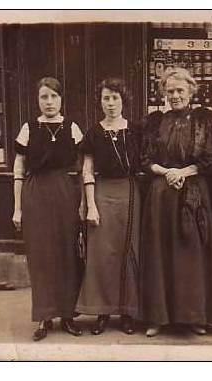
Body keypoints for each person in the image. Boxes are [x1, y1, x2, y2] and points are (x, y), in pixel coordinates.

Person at [140, 67, 212, 337]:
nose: (175, 96)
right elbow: (145, 159)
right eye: (170, 91)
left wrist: (182, 172)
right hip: (161, 195)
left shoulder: (204, 120)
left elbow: (210, 158)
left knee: (191, 253)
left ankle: (194, 316)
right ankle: (158, 318)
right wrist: (167, 172)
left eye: (180, 90)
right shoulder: (154, 122)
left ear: (191, 91)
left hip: (193, 192)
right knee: (159, 253)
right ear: (163, 93)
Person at [12, 77, 84, 341]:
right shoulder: (29, 128)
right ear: (38, 100)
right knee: (41, 256)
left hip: (65, 194)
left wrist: (83, 203)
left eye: (53, 97)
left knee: (67, 254)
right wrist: (17, 208)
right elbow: (18, 169)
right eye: (44, 97)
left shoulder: (73, 128)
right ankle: (44, 317)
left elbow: (83, 166)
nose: (49, 102)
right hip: (36, 195)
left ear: (61, 99)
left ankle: (67, 315)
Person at [75, 78, 142, 335]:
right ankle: (102, 311)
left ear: (123, 101)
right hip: (103, 194)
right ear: (100, 102)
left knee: (129, 251)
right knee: (103, 254)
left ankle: (127, 311)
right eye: (106, 98)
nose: (111, 103)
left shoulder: (135, 130)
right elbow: (88, 170)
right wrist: (91, 205)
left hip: (131, 193)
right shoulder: (93, 133)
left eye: (115, 98)